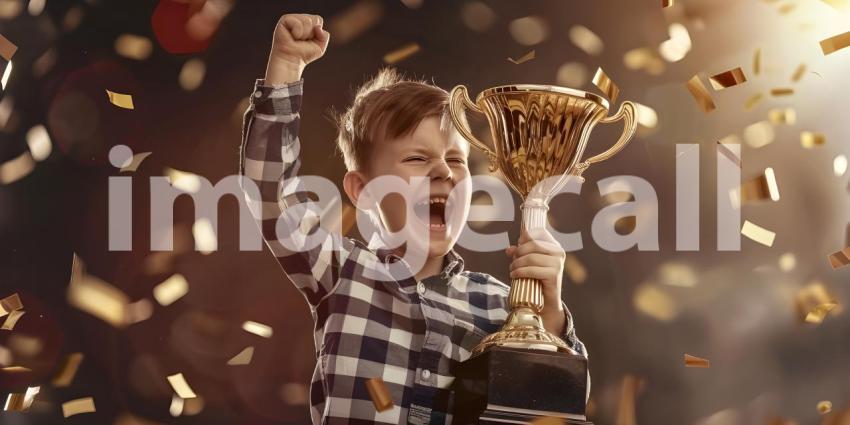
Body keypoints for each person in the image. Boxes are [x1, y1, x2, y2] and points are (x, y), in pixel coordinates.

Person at [239, 13, 586, 425]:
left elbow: (551, 411)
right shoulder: (342, 271)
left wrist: (550, 319)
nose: (443, 171)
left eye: (456, 159)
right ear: (362, 191)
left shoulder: (501, 305)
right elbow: (272, 193)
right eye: (417, 158)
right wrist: (287, 66)